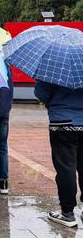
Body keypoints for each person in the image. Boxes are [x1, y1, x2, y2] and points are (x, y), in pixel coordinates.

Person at [35, 80, 83, 228]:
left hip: (62, 122)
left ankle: (67, 212)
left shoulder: (53, 64)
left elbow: (41, 94)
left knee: (65, 169)